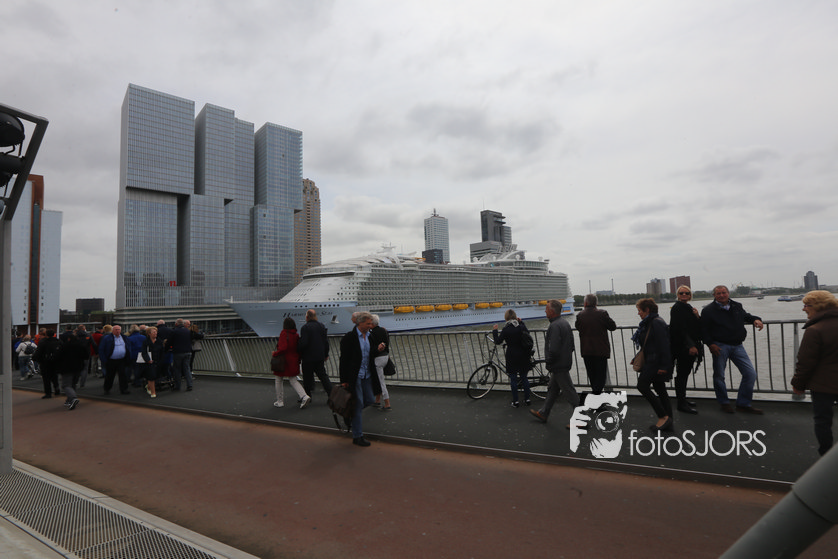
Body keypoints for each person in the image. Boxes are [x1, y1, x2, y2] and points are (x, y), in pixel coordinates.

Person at [701, 285, 765, 414]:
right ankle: (724, 403)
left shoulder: (737, 306)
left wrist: (756, 320)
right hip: (720, 346)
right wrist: (710, 344)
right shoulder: (708, 310)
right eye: (718, 293)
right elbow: (703, 329)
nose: (721, 295)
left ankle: (743, 404)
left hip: (737, 346)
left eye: (724, 292)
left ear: (728, 293)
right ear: (714, 295)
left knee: (750, 374)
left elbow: (746, 316)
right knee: (719, 376)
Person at [791, 290, 838, 456]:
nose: (803, 309)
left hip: (823, 385)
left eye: (806, 305)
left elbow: (805, 362)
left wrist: (798, 385)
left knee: (823, 421)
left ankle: (826, 457)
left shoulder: (815, 330)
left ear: (819, 306)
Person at [530, 299, 579, 424]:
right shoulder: (564, 323)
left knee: (569, 391)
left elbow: (554, 349)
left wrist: (549, 362)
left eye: (546, 309)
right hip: (564, 361)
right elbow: (572, 345)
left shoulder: (555, 326)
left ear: (552, 311)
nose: (545, 311)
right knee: (553, 389)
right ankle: (544, 413)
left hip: (558, 364)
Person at [339, 311, 382, 447]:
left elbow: (370, 353)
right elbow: (344, 360)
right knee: (358, 404)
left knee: (369, 399)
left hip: (367, 374)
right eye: (368, 323)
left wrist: (378, 349)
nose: (370, 326)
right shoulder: (349, 338)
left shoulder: (370, 336)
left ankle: (349, 414)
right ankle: (357, 436)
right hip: (355, 375)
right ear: (360, 323)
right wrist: (344, 379)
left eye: (371, 323)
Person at [632, 298, 673, 431]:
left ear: (647, 310)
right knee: (660, 389)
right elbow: (650, 344)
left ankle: (663, 416)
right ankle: (668, 420)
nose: (638, 313)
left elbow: (664, 345)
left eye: (640, 310)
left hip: (655, 362)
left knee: (642, 386)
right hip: (653, 360)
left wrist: (664, 366)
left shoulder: (655, 323)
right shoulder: (651, 322)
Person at [574, 294, 617, 396]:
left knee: (592, 376)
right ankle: (597, 396)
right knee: (600, 376)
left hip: (586, 350)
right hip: (600, 350)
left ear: (585, 303)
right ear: (596, 303)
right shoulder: (602, 314)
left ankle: (595, 395)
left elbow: (578, 327)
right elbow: (613, 327)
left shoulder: (580, 315)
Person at [669, 286, 702, 414]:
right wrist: (691, 345)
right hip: (683, 347)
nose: (684, 294)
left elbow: (694, 326)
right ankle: (681, 403)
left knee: (684, 373)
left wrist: (697, 316)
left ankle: (682, 400)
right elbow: (680, 329)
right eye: (681, 293)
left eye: (686, 293)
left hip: (686, 345)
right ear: (677, 295)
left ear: (690, 295)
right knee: (682, 374)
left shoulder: (687, 307)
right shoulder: (677, 308)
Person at [492, 309, 532, 408]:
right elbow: (527, 333)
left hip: (511, 356)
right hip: (523, 354)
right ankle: (527, 399)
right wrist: (521, 322)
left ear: (506, 318)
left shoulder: (506, 329)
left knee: (513, 379)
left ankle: (516, 401)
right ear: (515, 317)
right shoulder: (521, 327)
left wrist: (495, 331)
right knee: (524, 378)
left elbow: (498, 341)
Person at [272, 318, 309, 408]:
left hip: (283, 361)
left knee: (278, 380)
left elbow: (283, 348)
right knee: (293, 380)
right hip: (294, 360)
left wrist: (275, 353)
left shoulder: (284, 333)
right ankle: (304, 396)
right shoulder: (296, 335)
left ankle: (280, 401)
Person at [297, 309, 333, 399]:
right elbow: (326, 342)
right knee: (323, 376)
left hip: (308, 357)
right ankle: (331, 394)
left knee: (307, 377)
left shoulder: (305, 327)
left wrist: (298, 348)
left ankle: (307, 396)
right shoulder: (321, 326)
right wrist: (326, 354)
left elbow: (304, 343)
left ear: (307, 317)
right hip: (319, 356)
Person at [57, 333, 87, 410]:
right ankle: (69, 400)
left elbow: (58, 356)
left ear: (69, 339)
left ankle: (73, 398)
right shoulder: (81, 346)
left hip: (66, 368)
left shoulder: (64, 346)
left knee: (66, 385)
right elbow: (86, 356)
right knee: (73, 384)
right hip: (78, 367)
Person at [99, 324, 131, 395]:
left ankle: (124, 389)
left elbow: (128, 347)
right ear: (112, 330)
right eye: (116, 330)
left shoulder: (124, 337)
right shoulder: (107, 338)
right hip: (111, 360)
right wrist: (104, 359)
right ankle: (107, 389)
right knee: (110, 376)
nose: (117, 331)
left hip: (121, 360)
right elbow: (101, 349)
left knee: (123, 375)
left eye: (119, 329)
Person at [370, 314, 392, 410]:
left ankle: (387, 403)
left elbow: (372, 348)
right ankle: (377, 400)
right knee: (378, 379)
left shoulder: (371, 334)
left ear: (372, 323)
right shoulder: (383, 330)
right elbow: (387, 343)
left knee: (380, 380)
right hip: (385, 356)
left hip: (378, 358)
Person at [166, 319, 194, 391]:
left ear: (176, 324)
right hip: (188, 351)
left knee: (177, 369)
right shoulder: (188, 331)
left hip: (178, 352)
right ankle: (189, 385)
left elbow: (169, 342)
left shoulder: (174, 331)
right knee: (187, 368)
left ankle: (177, 386)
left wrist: (166, 349)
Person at [32, 329, 62, 398]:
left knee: (46, 378)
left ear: (46, 334)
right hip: (55, 361)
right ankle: (57, 388)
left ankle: (48, 393)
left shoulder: (43, 342)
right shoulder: (58, 341)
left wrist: (34, 358)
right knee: (54, 376)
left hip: (45, 362)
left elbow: (39, 352)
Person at [139, 326, 163, 398]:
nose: (155, 333)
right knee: (151, 377)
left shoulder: (159, 341)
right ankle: (153, 392)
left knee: (155, 376)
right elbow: (143, 352)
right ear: (149, 334)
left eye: (156, 332)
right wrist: (148, 360)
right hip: (149, 362)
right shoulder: (146, 342)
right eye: (154, 332)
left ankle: (148, 387)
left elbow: (162, 351)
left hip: (158, 361)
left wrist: (161, 360)